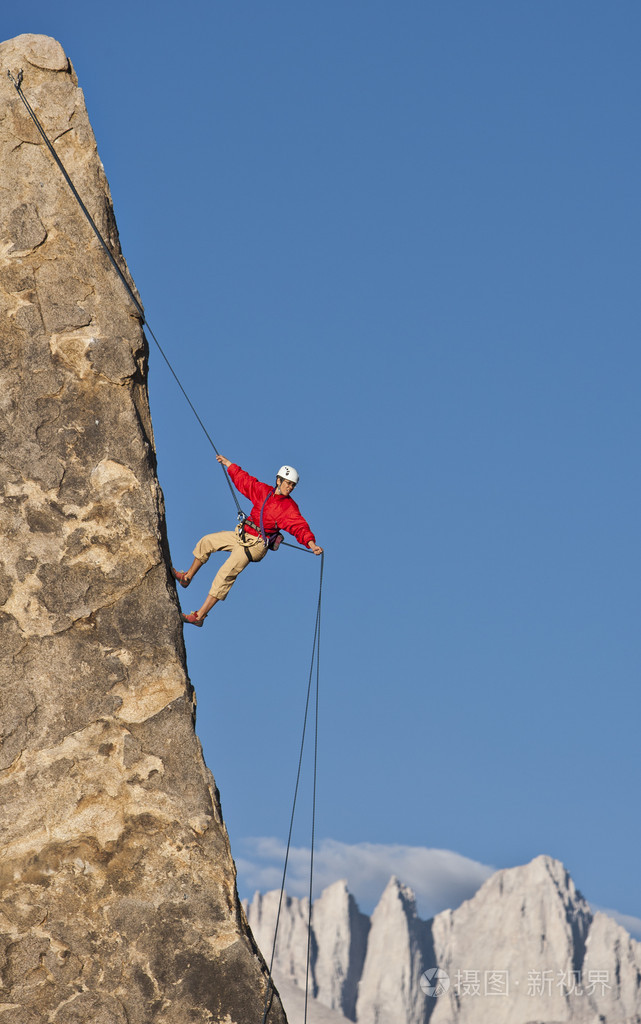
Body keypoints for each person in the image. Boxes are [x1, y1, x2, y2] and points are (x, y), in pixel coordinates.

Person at [173, 455, 323, 626]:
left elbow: (299, 527)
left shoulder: (289, 507)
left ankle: (199, 616)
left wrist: (312, 544)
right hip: (242, 534)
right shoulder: (264, 491)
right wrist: (228, 464)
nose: (290, 487)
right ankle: (187, 577)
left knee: (225, 573)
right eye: (288, 483)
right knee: (207, 541)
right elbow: (245, 481)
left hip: (255, 545)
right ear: (278, 480)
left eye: (293, 485)